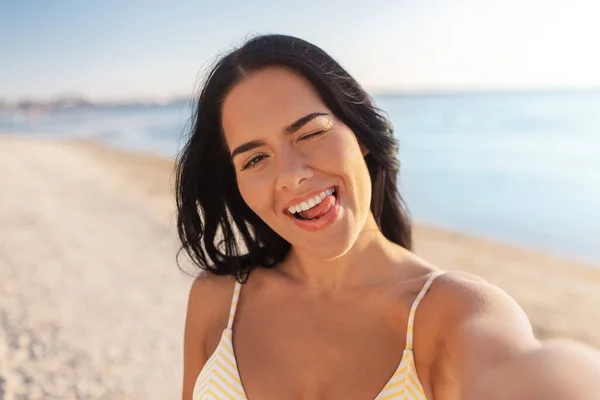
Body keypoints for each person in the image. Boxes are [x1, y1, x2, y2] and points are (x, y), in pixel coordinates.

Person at [177, 34, 600, 400]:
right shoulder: (218, 299)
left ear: (359, 134)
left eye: (310, 133)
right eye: (255, 159)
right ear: (236, 182)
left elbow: (525, 370)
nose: (292, 175)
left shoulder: (451, 311)